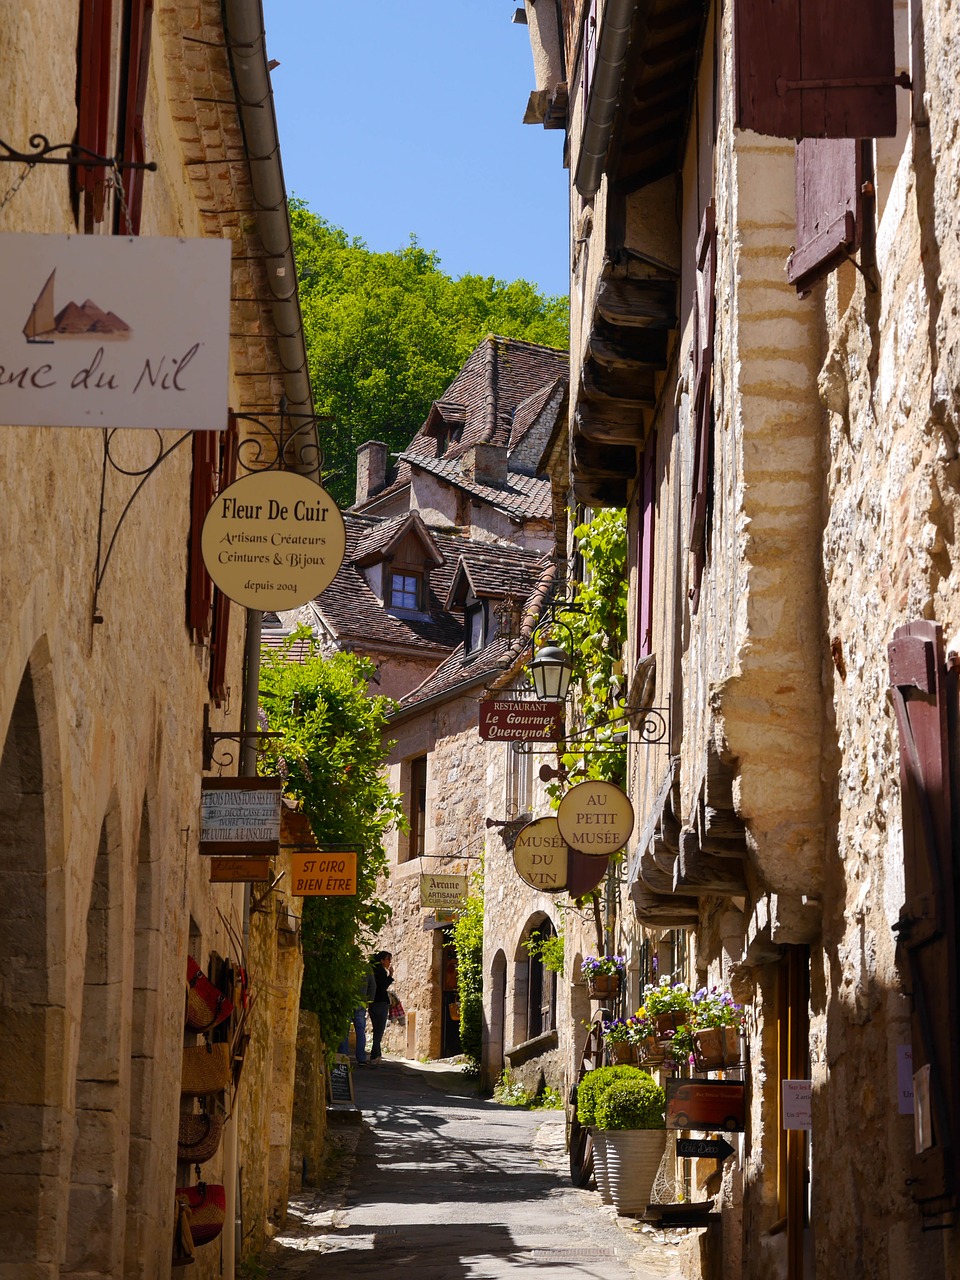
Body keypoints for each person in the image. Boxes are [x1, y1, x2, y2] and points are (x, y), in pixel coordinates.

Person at [338, 966, 377, 1065]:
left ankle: (343, 1056)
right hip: (360, 1002)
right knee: (360, 1031)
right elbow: (373, 986)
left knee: (344, 1030)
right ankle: (361, 1058)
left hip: (347, 1001)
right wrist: (368, 1001)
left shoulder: (346, 965)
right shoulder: (366, 969)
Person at [368, 950, 393, 1064]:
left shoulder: (372, 970)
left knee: (376, 1029)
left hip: (372, 1003)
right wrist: (390, 975)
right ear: (382, 960)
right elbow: (382, 986)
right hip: (381, 1003)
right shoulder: (381, 972)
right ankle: (374, 1054)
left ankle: (377, 1054)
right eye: (388, 960)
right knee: (379, 1030)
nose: (390, 962)